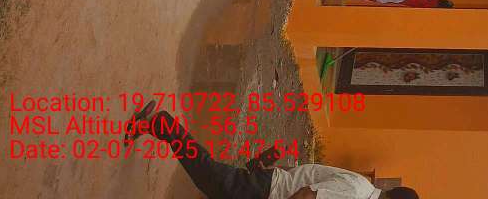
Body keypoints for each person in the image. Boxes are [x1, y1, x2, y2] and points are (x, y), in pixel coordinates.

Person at [123, 99, 420, 199]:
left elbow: (310, 179)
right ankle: (161, 123)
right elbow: (307, 195)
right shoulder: (354, 194)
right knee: (209, 176)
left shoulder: (361, 187)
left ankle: (154, 125)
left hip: (272, 185)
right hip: (268, 192)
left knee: (211, 181)